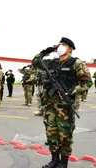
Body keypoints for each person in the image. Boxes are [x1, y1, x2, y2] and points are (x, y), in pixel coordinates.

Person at [32, 37, 92, 168]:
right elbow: (35, 61)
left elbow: (87, 82)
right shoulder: (52, 62)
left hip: (65, 105)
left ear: (70, 48)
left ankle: (63, 163)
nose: (60, 47)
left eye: (63, 45)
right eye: (59, 45)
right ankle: (54, 160)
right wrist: (47, 51)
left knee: (65, 134)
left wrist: (71, 92)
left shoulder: (76, 63)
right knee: (51, 132)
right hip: (50, 104)